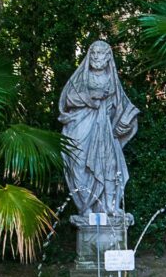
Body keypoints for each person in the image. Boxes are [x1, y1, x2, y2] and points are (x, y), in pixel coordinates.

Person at [58, 40, 139, 215]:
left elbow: (122, 104)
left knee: (109, 165)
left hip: (105, 131)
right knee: (79, 164)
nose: (96, 56)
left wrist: (126, 120)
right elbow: (68, 99)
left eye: (100, 53)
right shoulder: (82, 76)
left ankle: (110, 206)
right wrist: (92, 97)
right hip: (80, 126)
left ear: (108, 56)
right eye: (93, 53)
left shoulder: (112, 80)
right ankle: (85, 207)